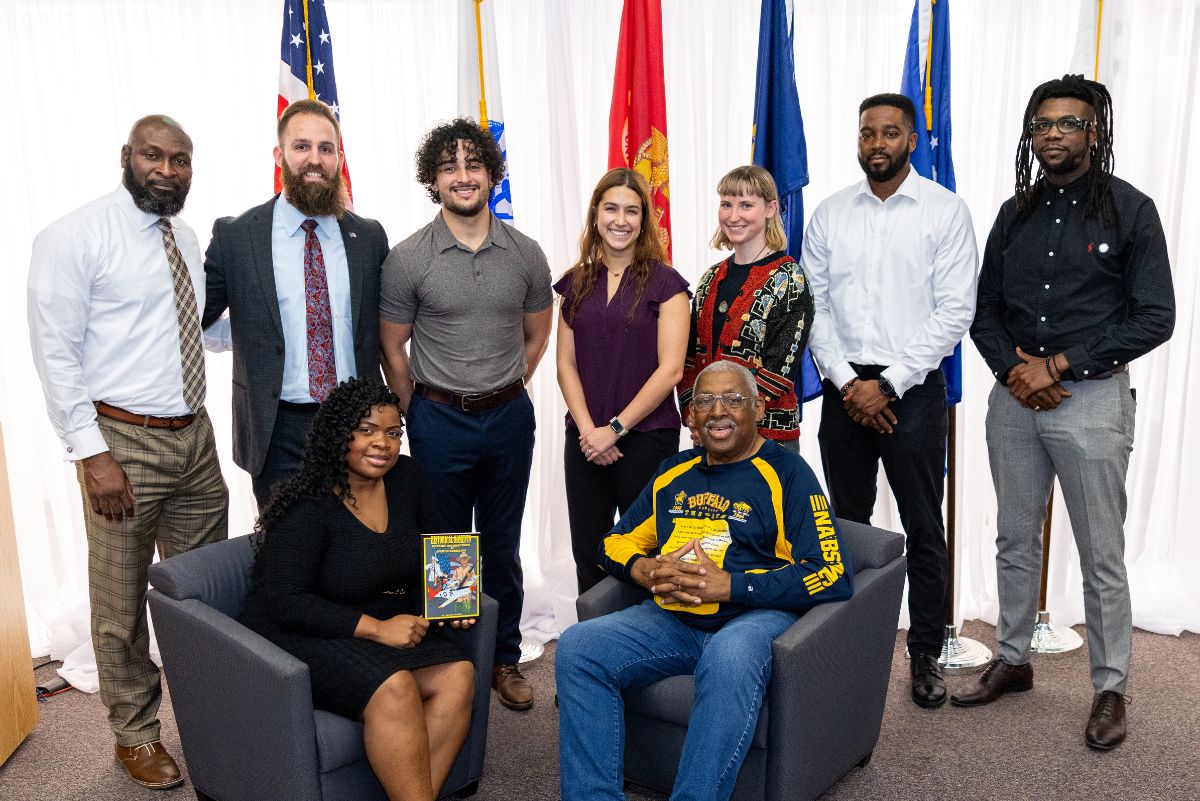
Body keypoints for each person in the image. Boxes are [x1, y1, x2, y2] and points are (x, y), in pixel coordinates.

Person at [957, 75, 1175, 750]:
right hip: (1014, 398)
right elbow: (982, 308)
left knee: (1101, 552)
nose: (1053, 133)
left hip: (1094, 398)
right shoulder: (1012, 213)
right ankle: (1014, 657)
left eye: (1069, 123)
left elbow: (1156, 316)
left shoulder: (1131, 211)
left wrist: (1060, 365)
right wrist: (1017, 371)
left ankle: (1110, 686)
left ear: (1095, 133)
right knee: (1014, 536)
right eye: (1043, 124)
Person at [27, 115, 229, 789]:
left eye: (180, 160)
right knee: (118, 602)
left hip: (194, 439)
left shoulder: (186, 236)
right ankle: (134, 734)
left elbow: (192, 328)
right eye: (154, 156)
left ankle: (211, 717)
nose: (167, 170)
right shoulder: (73, 236)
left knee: (203, 592)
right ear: (127, 156)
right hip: (122, 442)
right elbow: (56, 353)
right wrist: (92, 453)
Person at [556, 361, 853, 801]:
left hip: (752, 618)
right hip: (673, 620)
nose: (718, 411)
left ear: (758, 409)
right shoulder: (673, 473)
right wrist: (644, 568)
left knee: (731, 656)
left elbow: (832, 574)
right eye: (705, 401)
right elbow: (613, 542)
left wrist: (731, 586)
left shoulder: (788, 474)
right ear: (690, 416)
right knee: (579, 647)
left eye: (733, 400)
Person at [801, 92, 978, 709]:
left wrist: (890, 383)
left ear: (912, 139)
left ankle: (926, 654)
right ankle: (846, 650)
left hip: (915, 389)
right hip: (843, 388)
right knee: (844, 529)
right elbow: (813, 306)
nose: (876, 143)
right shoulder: (828, 214)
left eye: (890, 133)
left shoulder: (944, 211)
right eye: (866, 133)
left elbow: (956, 309)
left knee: (923, 527)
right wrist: (850, 383)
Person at [380, 118, 553, 711]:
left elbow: (537, 335)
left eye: (473, 164)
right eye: (449, 166)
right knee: (449, 550)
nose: (463, 175)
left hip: (508, 421)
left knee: (501, 546)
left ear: (491, 173)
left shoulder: (525, 253)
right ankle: (458, 664)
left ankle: (504, 658)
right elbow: (392, 346)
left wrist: (501, 388)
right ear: (433, 179)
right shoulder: (407, 259)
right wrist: (417, 412)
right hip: (438, 422)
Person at [240, 377, 476, 801]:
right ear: (338, 434)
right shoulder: (308, 503)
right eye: (366, 430)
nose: (382, 444)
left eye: (392, 433)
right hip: (304, 632)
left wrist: (452, 598)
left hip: (377, 620)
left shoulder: (408, 477)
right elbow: (286, 601)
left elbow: (439, 545)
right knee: (395, 686)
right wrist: (379, 629)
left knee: (458, 675)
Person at [203, 98, 390, 507]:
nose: (315, 159)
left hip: (356, 422)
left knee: (356, 554)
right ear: (280, 155)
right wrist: (254, 336)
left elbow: (387, 326)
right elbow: (196, 320)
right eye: (301, 146)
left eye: (326, 149)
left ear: (339, 158)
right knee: (285, 557)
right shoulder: (237, 237)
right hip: (276, 429)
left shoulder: (370, 238)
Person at [555, 167, 690, 595]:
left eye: (632, 211)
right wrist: (590, 431)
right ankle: (593, 652)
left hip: (647, 439)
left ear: (644, 220)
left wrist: (614, 429)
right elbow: (565, 365)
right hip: (585, 442)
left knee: (647, 556)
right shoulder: (576, 282)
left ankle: (644, 649)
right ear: (596, 215)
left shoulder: (668, 285)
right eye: (611, 208)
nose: (621, 219)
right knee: (588, 551)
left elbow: (670, 369)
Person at [678, 165, 813, 451]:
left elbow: (777, 374)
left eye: (746, 205)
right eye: (726, 204)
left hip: (767, 441)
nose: (733, 215)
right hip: (709, 437)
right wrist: (697, 415)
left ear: (770, 208)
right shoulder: (710, 279)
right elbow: (690, 358)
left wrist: (718, 420)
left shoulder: (790, 280)